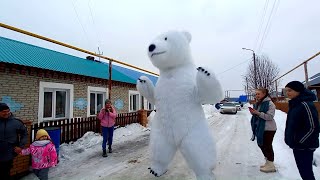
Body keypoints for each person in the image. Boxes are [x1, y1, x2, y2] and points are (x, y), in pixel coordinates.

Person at [284, 81, 319, 180]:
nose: (287, 93)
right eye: (286, 91)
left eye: (290, 90)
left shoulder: (305, 104)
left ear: (298, 90)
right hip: (298, 145)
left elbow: (313, 127)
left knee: (306, 173)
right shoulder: (295, 104)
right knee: (304, 173)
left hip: (305, 146)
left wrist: (300, 141)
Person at [249, 88, 277, 173]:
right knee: (261, 144)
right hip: (260, 128)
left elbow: (270, 117)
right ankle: (268, 162)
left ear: (264, 94)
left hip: (269, 128)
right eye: (256, 94)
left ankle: (271, 165)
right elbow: (259, 114)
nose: (257, 95)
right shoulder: (259, 103)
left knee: (267, 146)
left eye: (258, 94)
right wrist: (254, 113)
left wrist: (257, 113)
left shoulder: (270, 103)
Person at [0, 103, 28, 180]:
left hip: (8, 153)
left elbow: (24, 134)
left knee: (5, 173)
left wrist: (20, 146)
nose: (6, 113)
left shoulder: (16, 122)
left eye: (7, 111)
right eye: (3, 111)